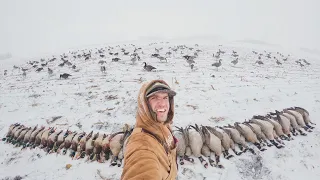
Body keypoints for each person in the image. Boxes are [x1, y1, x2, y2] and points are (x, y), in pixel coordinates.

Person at [121, 80, 178, 180]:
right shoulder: (140, 145)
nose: (162, 104)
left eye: (165, 98)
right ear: (145, 105)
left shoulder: (162, 124)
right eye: (154, 98)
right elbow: (141, 170)